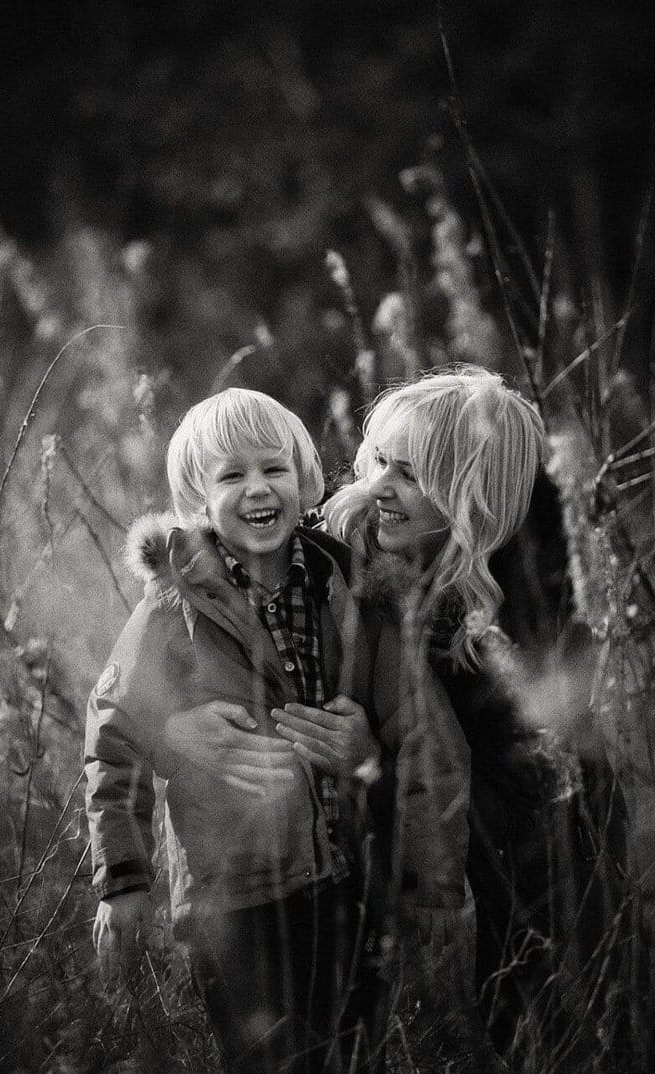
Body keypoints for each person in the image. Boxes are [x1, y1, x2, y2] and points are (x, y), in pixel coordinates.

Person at [320, 366, 632, 1068]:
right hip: (448, 863)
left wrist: (375, 763)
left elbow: (506, 801)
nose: (380, 487)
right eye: (377, 463)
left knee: (534, 1032)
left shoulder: (503, 623)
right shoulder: (374, 568)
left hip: (534, 871)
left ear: (472, 495)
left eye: (412, 473)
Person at [86, 388, 389, 1073]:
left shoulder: (339, 577)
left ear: (303, 477)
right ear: (198, 496)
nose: (258, 488)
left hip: (346, 878)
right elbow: (114, 728)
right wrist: (124, 880)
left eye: (273, 468)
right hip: (237, 895)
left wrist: (369, 749)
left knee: (350, 1051)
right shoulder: (176, 602)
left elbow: (394, 709)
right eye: (231, 475)